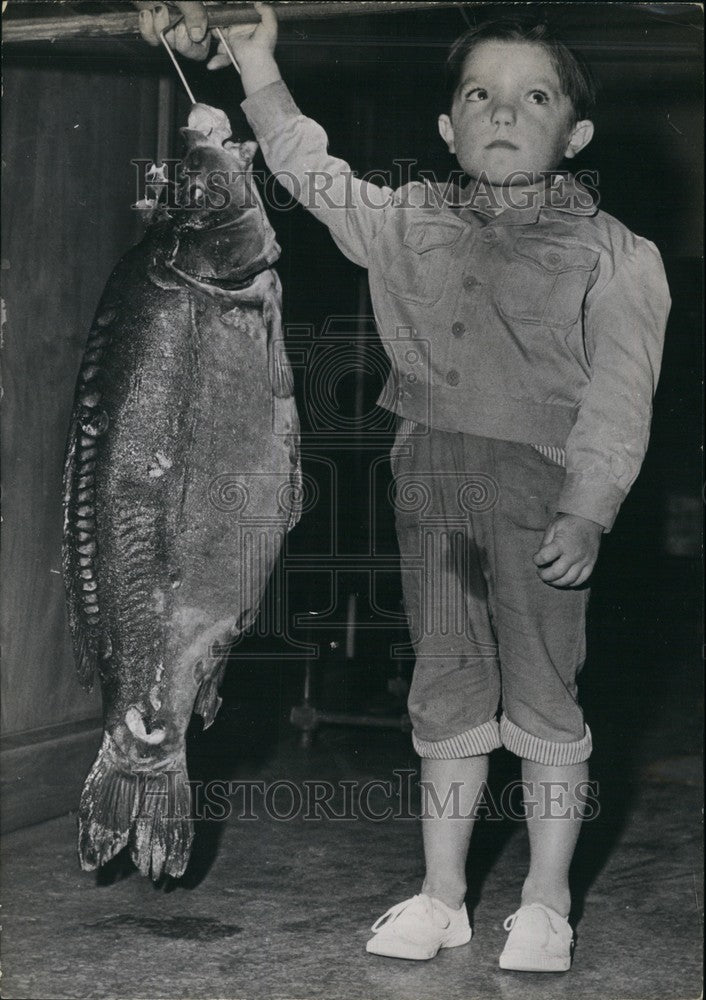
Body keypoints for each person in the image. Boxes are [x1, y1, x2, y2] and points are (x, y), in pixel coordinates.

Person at [138, 1, 671, 972]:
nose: (503, 112)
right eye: (480, 95)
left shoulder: (616, 256)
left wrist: (589, 509)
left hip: (543, 500)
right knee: (446, 691)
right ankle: (442, 893)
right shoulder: (408, 219)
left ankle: (546, 900)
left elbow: (620, 401)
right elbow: (307, 168)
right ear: (447, 127)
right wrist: (256, 62)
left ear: (575, 133)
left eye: (534, 97)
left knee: (545, 699)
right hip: (432, 491)